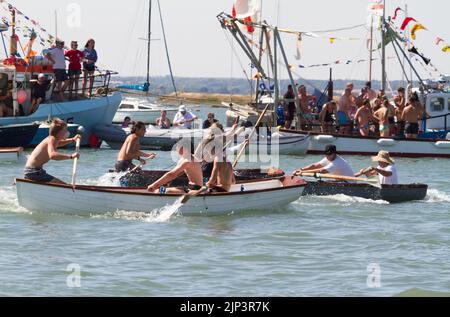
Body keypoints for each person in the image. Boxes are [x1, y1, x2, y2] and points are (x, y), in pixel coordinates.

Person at [23, 119, 81, 184]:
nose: (67, 132)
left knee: (62, 185)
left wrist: (72, 139)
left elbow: (59, 143)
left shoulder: (54, 139)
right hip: (33, 172)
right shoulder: (52, 139)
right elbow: (52, 155)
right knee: (64, 185)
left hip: (34, 171)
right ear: (59, 132)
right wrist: (71, 156)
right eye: (65, 130)